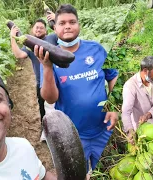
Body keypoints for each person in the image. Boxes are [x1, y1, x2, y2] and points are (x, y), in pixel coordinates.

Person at [34, 4, 119, 178]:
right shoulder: (50, 57)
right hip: (72, 138)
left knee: (107, 170)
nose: (67, 26)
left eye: (72, 22)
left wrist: (114, 105)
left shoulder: (96, 49)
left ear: (79, 25)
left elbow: (114, 76)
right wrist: (48, 68)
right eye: (62, 23)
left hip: (105, 129)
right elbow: (50, 98)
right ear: (55, 28)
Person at [10, 18, 55, 141]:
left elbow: (63, 35)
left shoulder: (52, 38)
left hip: (59, 80)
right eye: (37, 27)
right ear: (32, 30)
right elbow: (19, 55)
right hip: (42, 83)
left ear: (46, 30)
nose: (39, 29)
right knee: (42, 108)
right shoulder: (29, 45)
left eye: (41, 27)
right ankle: (45, 130)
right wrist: (12, 38)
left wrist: (55, 20)